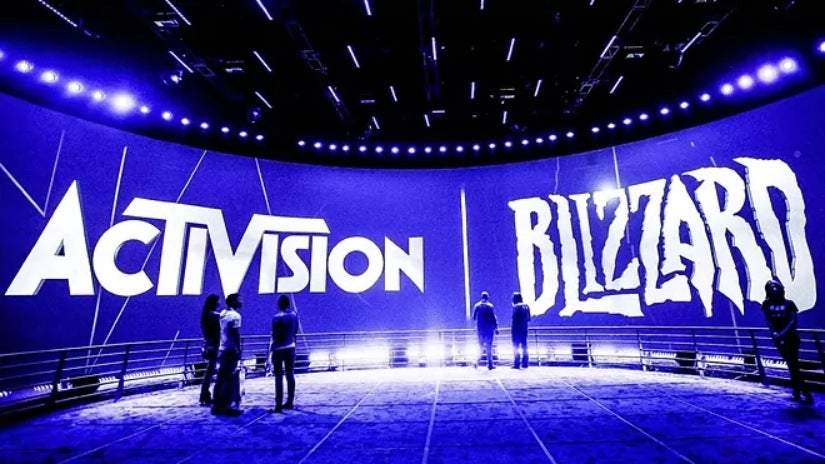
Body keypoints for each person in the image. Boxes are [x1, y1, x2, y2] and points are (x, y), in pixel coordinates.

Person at [761, 279, 813, 403]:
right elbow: (768, 320)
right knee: (792, 366)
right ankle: (799, 392)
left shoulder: (789, 304)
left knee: (793, 365)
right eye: (771, 287)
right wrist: (774, 333)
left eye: (775, 286)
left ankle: (802, 392)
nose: (774, 289)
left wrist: (781, 334)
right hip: (778, 339)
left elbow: (792, 321)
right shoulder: (766, 304)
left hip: (791, 338)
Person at [211, 293, 244, 416]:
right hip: (231, 350)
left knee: (220, 378)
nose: (241, 301)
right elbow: (236, 334)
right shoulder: (235, 316)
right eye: (239, 299)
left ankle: (216, 405)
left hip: (222, 349)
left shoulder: (223, 313)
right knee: (230, 379)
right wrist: (238, 349)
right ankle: (227, 406)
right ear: (234, 302)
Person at [269, 294, 301, 413]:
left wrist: (271, 349)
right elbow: (295, 332)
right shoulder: (294, 316)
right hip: (290, 347)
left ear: (279, 304)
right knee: (290, 374)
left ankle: (278, 405)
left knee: (278, 376)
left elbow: (275, 335)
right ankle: (290, 402)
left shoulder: (277, 317)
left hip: (278, 348)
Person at [198, 294, 221, 406]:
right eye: (218, 301)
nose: (219, 303)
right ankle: (209, 394)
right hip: (216, 345)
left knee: (209, 371)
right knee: (213, 370)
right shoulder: (215, 315)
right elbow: (220, 331)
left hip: (209, 344)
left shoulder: (206, 315)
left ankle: (205, 394)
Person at [473, 291, 498, 370]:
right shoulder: (490, 306)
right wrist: (496, 328)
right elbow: (494, 318)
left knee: (480, 347)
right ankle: (490, 364)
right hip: (489, 329)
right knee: (489, 347)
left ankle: (476, 362)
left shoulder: (477, 306)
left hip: (480, 329)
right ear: (488, 297)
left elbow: (474, 317)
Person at [511, 292, 532, 369]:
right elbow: (529, 319)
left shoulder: (515, 307)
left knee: (516, 346)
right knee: (524, 346)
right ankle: (525, 363)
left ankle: (517, 363)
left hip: (516, 330)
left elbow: (514, 319)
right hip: (524, 329)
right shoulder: (526, 306)